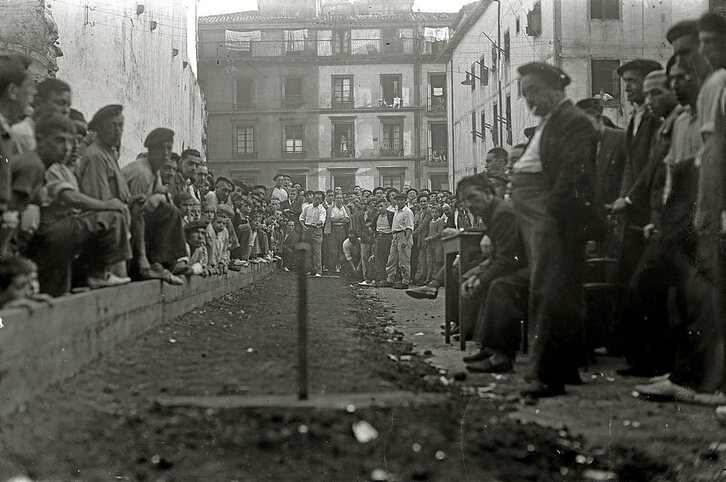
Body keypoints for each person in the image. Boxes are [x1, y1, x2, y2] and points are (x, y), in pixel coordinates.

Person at [511, 62, 601, 398]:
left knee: (549, 291)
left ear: (555, 88)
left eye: (533, 91)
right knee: (561, 290)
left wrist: (551, 216)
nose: (529, 100)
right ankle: (565, 368)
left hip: (555, 219)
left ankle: (548, 374)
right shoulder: (552, 121)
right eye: (524, 94)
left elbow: (572, 175)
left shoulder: (573, 121)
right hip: (544, 217)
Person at [29, 114, 132, 295]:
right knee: (111, 217)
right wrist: (106, 205)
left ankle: (93, 276)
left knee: (59, 290)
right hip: (51, 230)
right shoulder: (52, 168)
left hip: (64, 228)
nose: (68, 148)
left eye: (73, 142)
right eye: (62, 142)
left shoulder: (66, 168)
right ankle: (99, 274)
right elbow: (70, 198)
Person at [446, 174, 528, 373]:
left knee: (498, 286)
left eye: (473, 197)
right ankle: (490, 347)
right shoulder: (492, 212)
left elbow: (507, 258)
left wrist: (481, 279)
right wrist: (476, 275)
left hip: (533, 267)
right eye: (464, 200)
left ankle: (501, 356)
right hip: (518, 265)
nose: (468, 204)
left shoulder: (503, 212)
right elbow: (497, 257)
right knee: (476, 280)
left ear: (489, 193)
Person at [121, 128, 186, 285]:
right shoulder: (141, 173)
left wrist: (158, 196)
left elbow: (162, 193)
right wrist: (143, 258)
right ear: (150, 149)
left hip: (132, 219)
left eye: (169, 148)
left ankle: (166, 264)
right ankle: (151, 264)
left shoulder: (154, 171)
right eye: (160, 148)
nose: (165, 153)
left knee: (169, 210)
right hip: (122, 222)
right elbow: (136, 218)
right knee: (168, 212)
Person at [385, 193, 414, 289]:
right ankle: (390, 279)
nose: (400, 201)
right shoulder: (397, 210)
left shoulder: (407, 212)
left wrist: (405, 240)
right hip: (395, 235)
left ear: (406, 200)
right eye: (398, 200)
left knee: (404, 260)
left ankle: (405, 281)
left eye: (402, 200)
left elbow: (409, 227)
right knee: (392, 259)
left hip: (404, 234)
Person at [299, 191, 326, 276]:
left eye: (319, 199)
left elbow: (322, 220)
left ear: (321, 201)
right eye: (316, 198)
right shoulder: (307, 207)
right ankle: (309, 270)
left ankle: (318, 271)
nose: (317, 200)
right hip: (307, 229)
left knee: (317, 252)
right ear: (313, 198)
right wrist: (303, 226)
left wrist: (318, 223)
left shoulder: (322, 209)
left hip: (317, 230)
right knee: (307, 250)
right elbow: (301, 218)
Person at [413, 194, 432, 284]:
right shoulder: (420, 212)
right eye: (421, 201)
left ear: (428, 202)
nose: (423, 203)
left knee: (425, 259)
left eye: (424, 201)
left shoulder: (429, 211)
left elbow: (424, 224)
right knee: (421, 259)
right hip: (421, 238)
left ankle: (423, 278)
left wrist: (415, 232)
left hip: (427, 237)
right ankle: (420, 278)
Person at [329, 193, 350, 272]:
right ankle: (334, 265)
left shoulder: (345, 208)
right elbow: (331, 220)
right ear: (334, 199)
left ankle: (341, 265)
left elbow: (347, 220)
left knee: (342, 247)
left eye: (340, 198)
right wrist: (341, 219)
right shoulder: (331, 208)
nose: (339, 200)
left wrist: (338, 219)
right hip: (334, 229)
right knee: (334, 249)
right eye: (337, 198)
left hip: (342, 229)